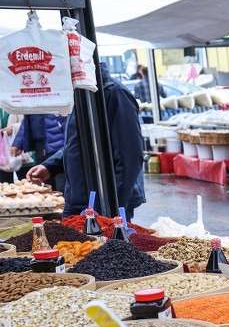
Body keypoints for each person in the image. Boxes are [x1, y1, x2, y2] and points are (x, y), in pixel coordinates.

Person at [28, 66, 146, 218]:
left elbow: (129, 159)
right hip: (78, 199)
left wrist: (108, 209)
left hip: (103, 204)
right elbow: (79, 143)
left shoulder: (114, 94)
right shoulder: (80, 93)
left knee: (104, 242)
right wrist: (50, 165)